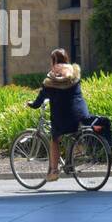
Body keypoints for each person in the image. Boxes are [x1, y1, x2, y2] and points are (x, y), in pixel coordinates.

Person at [27, 48, 93, 182]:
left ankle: (54, 171)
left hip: (62, 116)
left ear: (54, 61)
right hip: (80, 111)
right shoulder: (75, 73)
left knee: (55, 138)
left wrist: (33, 104)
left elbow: (41, 96)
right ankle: (77, 151)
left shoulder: (53, 77)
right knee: (74, 129)